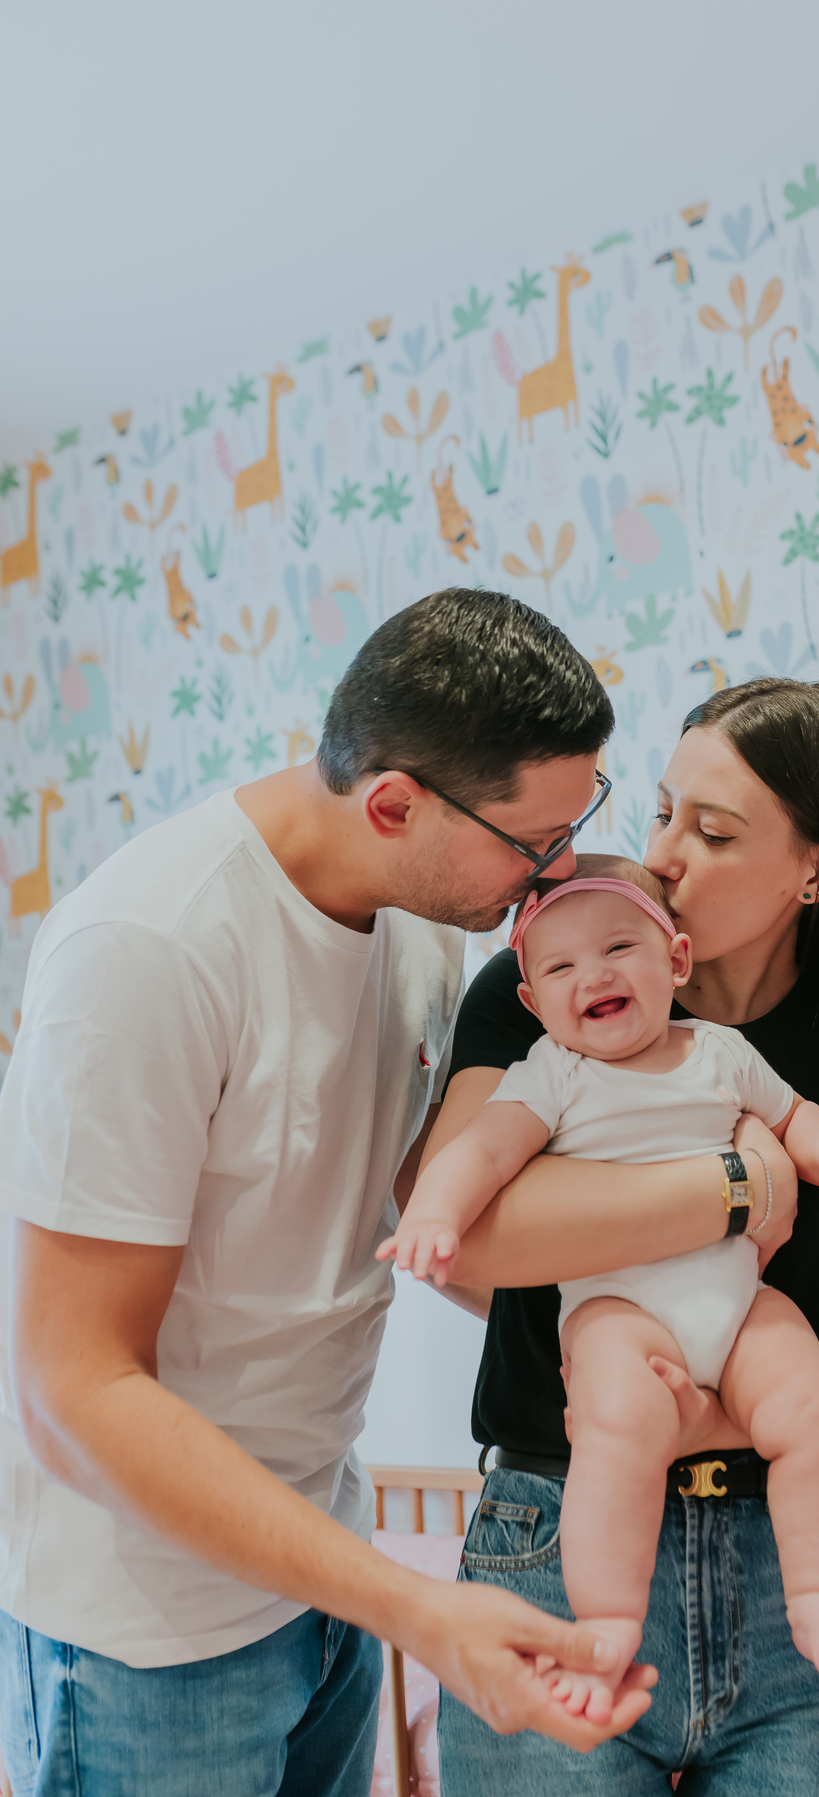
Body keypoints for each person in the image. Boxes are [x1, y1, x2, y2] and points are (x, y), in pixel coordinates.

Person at [0, 589, 659, 1797]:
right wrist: (414, 1609)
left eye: (579, 826)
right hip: (145, 1640)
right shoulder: (148, 951)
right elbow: (72, 1385)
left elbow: (403, 1227)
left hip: (317, 1572)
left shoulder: (418, 921)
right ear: (396, 803)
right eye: (534, 846)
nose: (555, 875)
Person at [429, 677, 819, 1795]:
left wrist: (718, 1419)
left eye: (715, 831)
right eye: (660, 813)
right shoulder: (545, 984)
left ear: (817, 872)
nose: (666, 857)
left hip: (807, 1556)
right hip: (556, 1545)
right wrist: (738, 1185)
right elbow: (468, 1240)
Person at [382, 857, 819, 1718]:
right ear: (534, 1001)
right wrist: (435, 1214)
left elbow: (791, 1117)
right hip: (618, 1308)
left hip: (740, 1299)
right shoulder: (552, 1072)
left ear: (677, 961)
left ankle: (817, 1596)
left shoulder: (722, 1053)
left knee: (813, 1413)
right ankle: (609, 1623)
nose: (596, 974)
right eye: (560, 967)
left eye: (620, 946)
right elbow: (478, 1154)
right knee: (619, 1431)